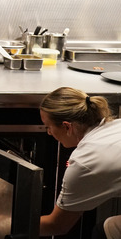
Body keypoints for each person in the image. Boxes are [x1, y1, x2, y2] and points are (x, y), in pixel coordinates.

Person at [39, 87, 121, 239]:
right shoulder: (115, 126)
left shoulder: (84, 162)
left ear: (67, 126)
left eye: (48, 127)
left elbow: (57, 225)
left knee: (105, 232)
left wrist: (2, 223)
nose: (48, 133)